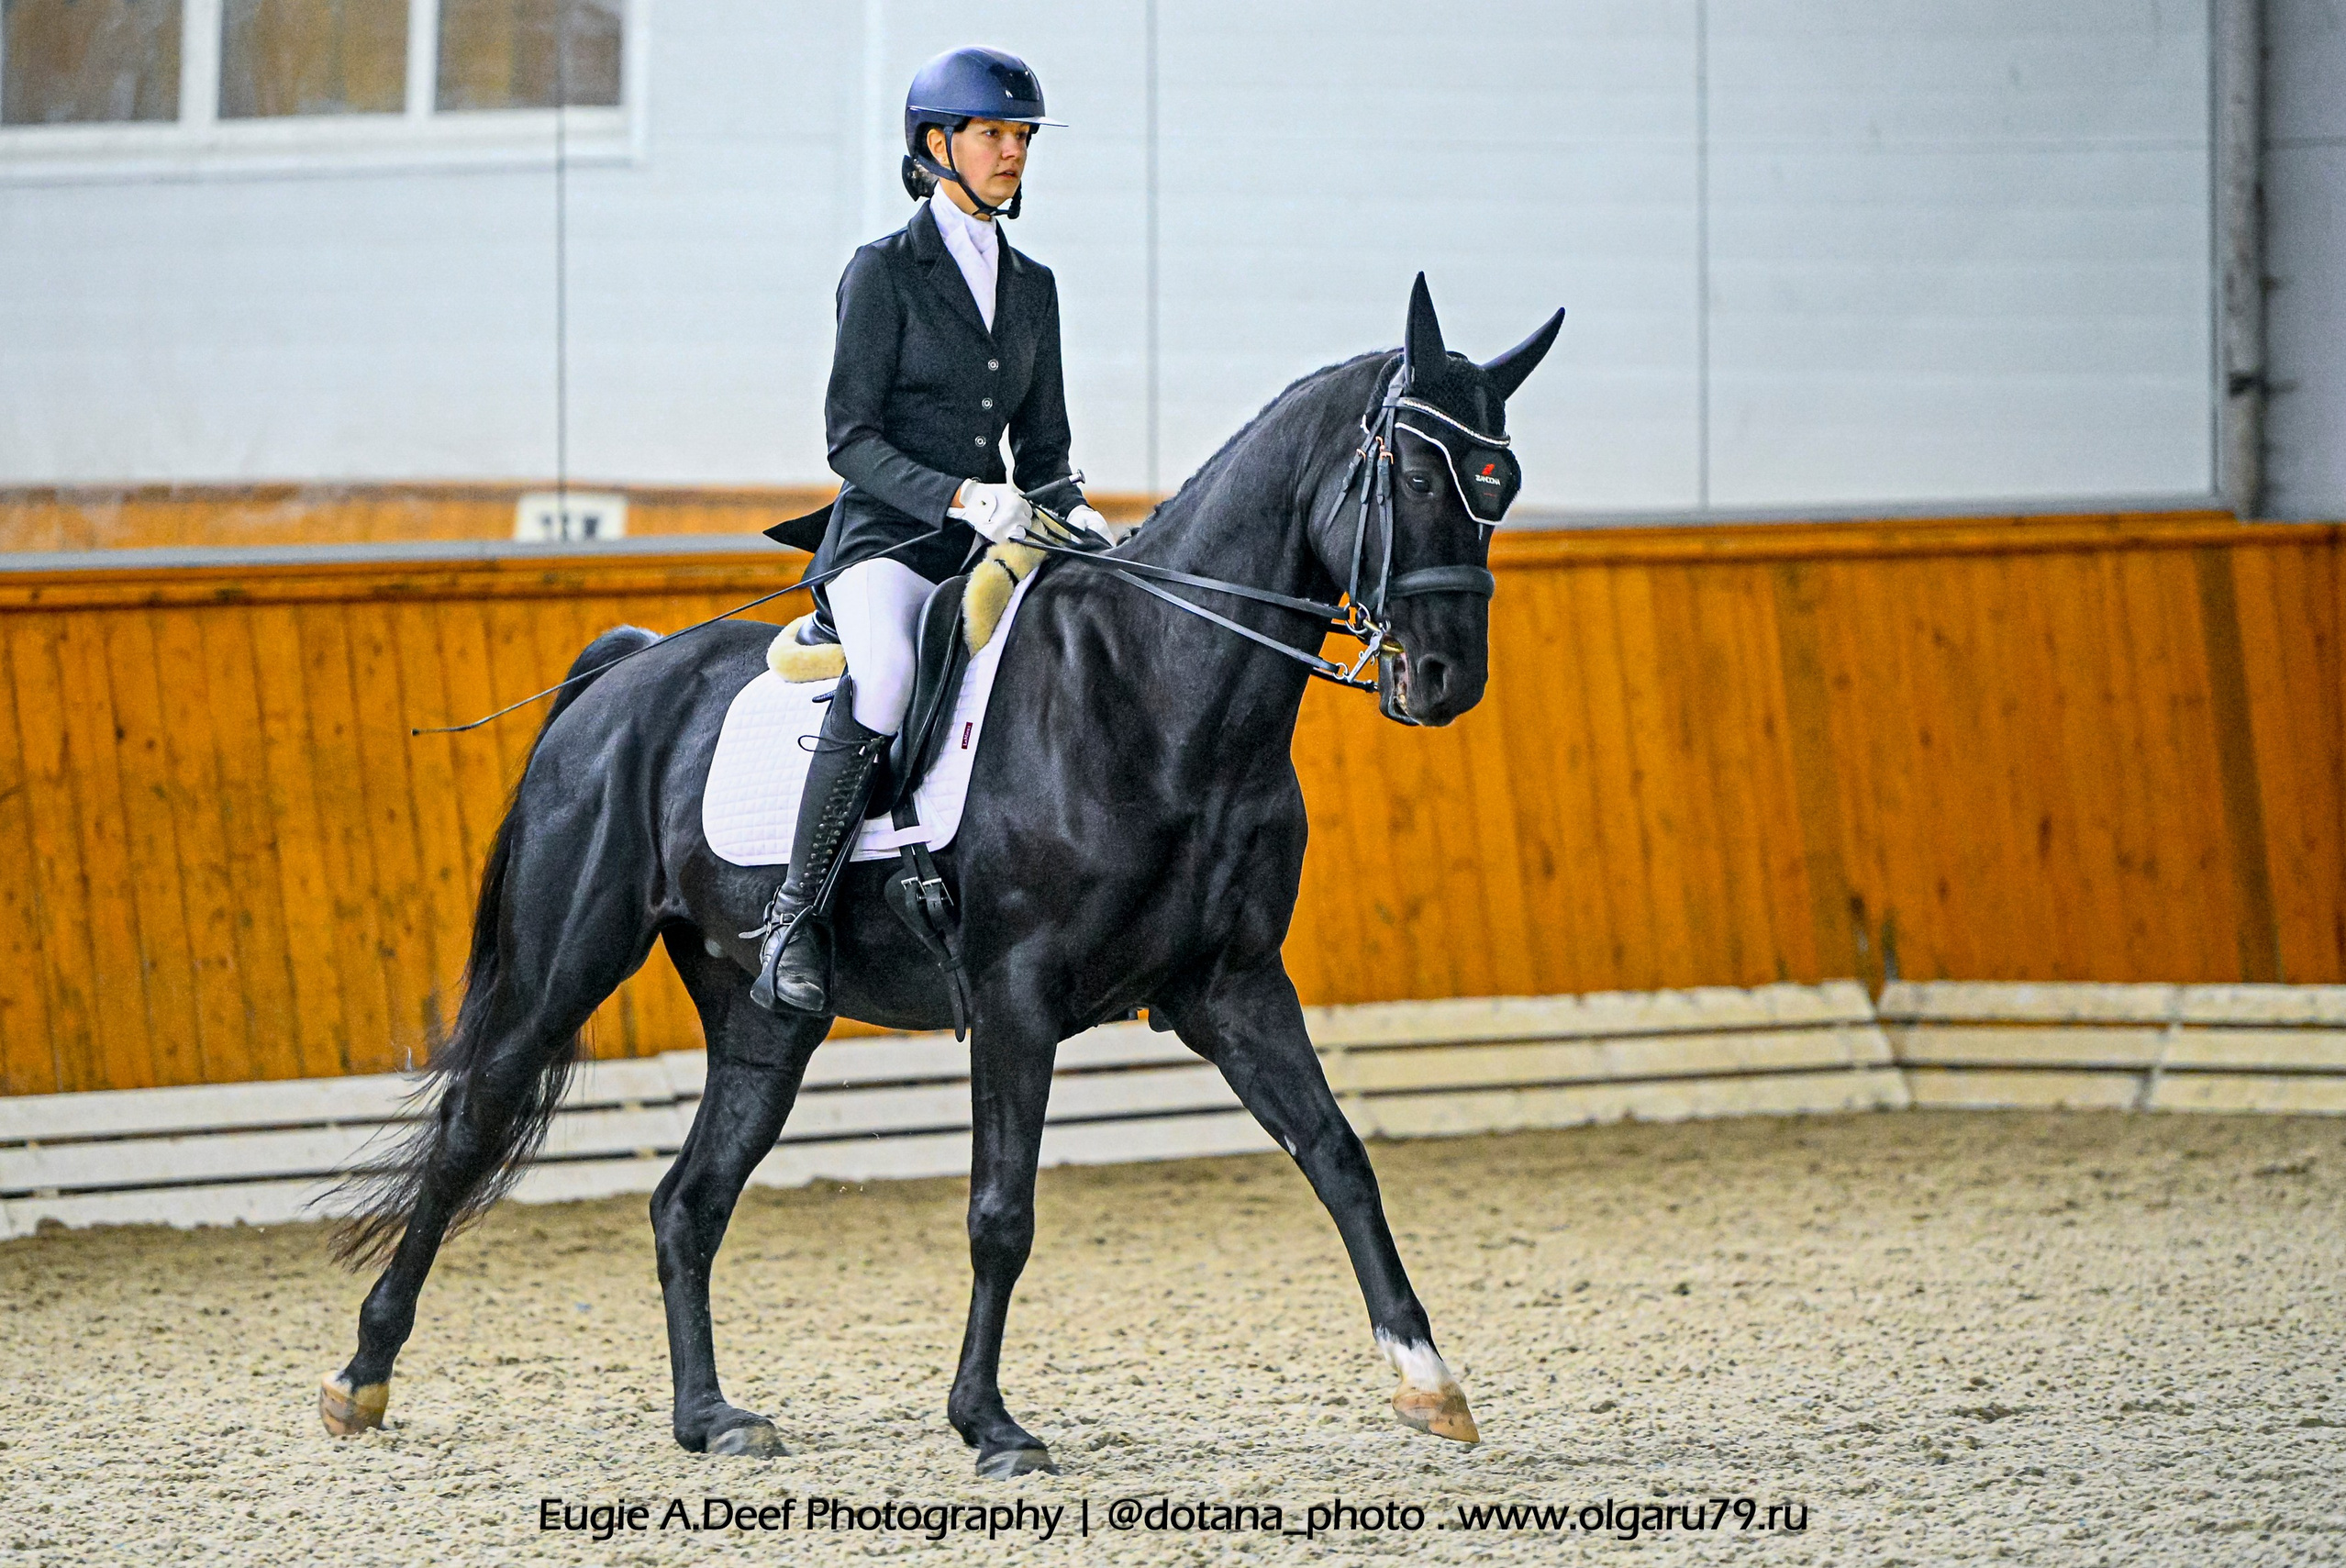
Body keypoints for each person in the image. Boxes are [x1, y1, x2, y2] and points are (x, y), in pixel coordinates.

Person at [750, 45, 1123, 1014]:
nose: (1012, 153)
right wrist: (962, 495)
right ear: (935, 144)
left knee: (1087, 655)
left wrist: (1073, 509)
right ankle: (796, 913)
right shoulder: (881, 272)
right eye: (994, 134)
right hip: (889, 539)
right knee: (885, 676)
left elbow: (1043, 450)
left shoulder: (1032, 284)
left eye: (1021, 137)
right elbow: (850, 441)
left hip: (994, 540)